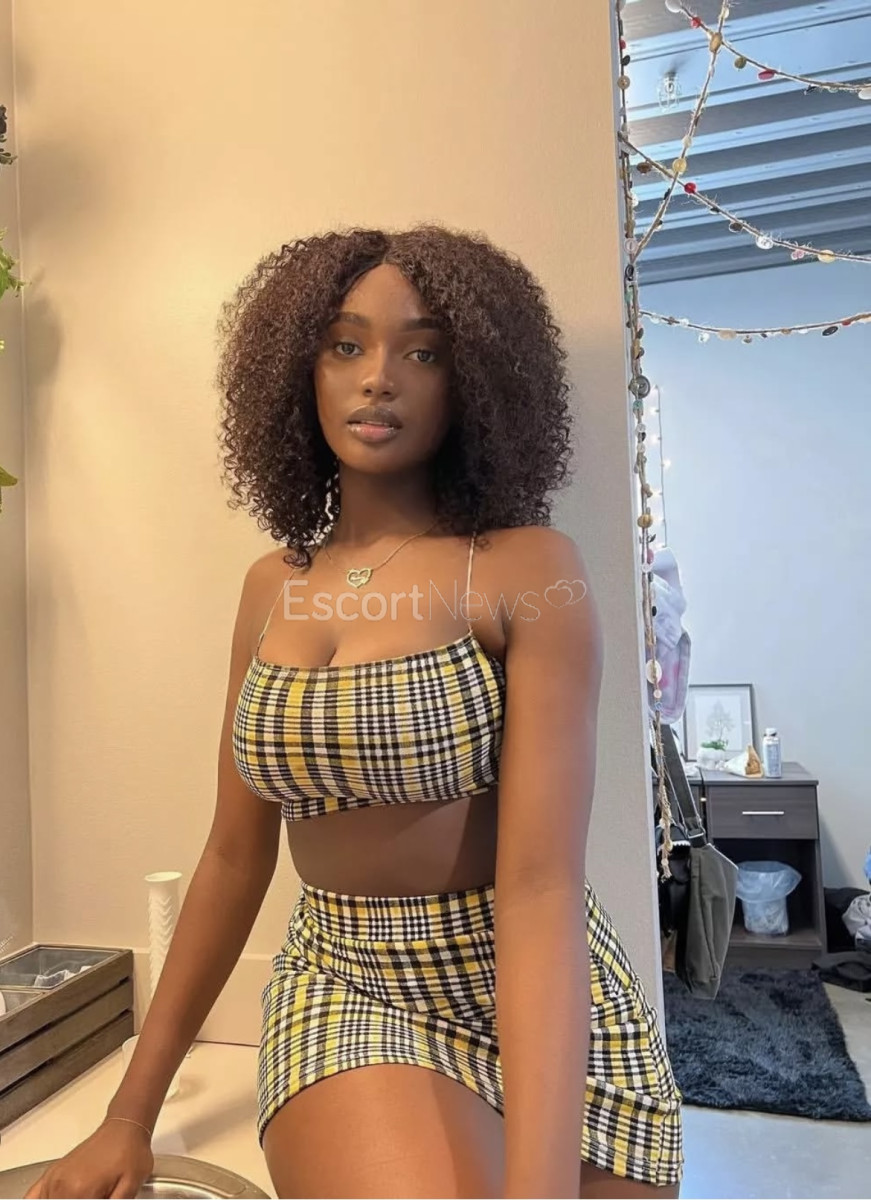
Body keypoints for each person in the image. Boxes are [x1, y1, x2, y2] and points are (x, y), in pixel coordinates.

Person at [26, 225, 683, 1199]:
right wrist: (128, 1116)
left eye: (424, 353)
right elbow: (233, 858)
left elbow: (539, 888)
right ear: (299, 369)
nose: (379, 378)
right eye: (346, 344)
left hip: (536, 987)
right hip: (350, 980)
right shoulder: (271, 587)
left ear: (476, 383)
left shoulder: (525, 570)